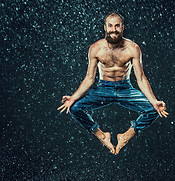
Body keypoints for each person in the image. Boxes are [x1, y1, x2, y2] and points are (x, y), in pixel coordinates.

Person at [57, 12, 168, 155]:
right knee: (75, 107)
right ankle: (101, 135)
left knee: (154, 109)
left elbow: (140, 78)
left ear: (122, 27)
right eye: (110, 26)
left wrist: (154, 101)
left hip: (125, 89)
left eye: (117, 26)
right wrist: (73, 97)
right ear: (105, 27)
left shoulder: (132, 48)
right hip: (104, 88)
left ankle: (126, 135)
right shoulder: (95, 48)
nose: (113, 29)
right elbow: (90, 78)